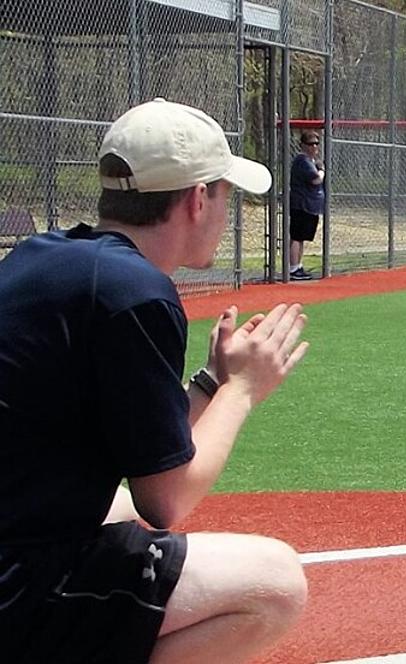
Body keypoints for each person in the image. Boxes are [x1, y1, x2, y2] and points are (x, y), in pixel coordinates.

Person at [0, 98, 310, 663]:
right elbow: (166, 500)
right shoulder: (134, 290)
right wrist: (244, 388)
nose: (226, 210)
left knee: (113, 507)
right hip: (14, 584)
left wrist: (213, 381)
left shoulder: (47, 257)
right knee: (276, 583)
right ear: (197, 199)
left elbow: (147, 454)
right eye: (224, 194)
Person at [289, 129, 325, 281]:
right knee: (297, 237)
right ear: (303, 145)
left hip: (310, 205)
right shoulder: (302, 160)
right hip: (302, 204)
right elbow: (316, 179)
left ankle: (298, 266)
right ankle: (293, 269)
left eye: (316, 144)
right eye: (310, 144)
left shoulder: (310, 161)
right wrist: (322, 170)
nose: (314, 147)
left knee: (302, 237)